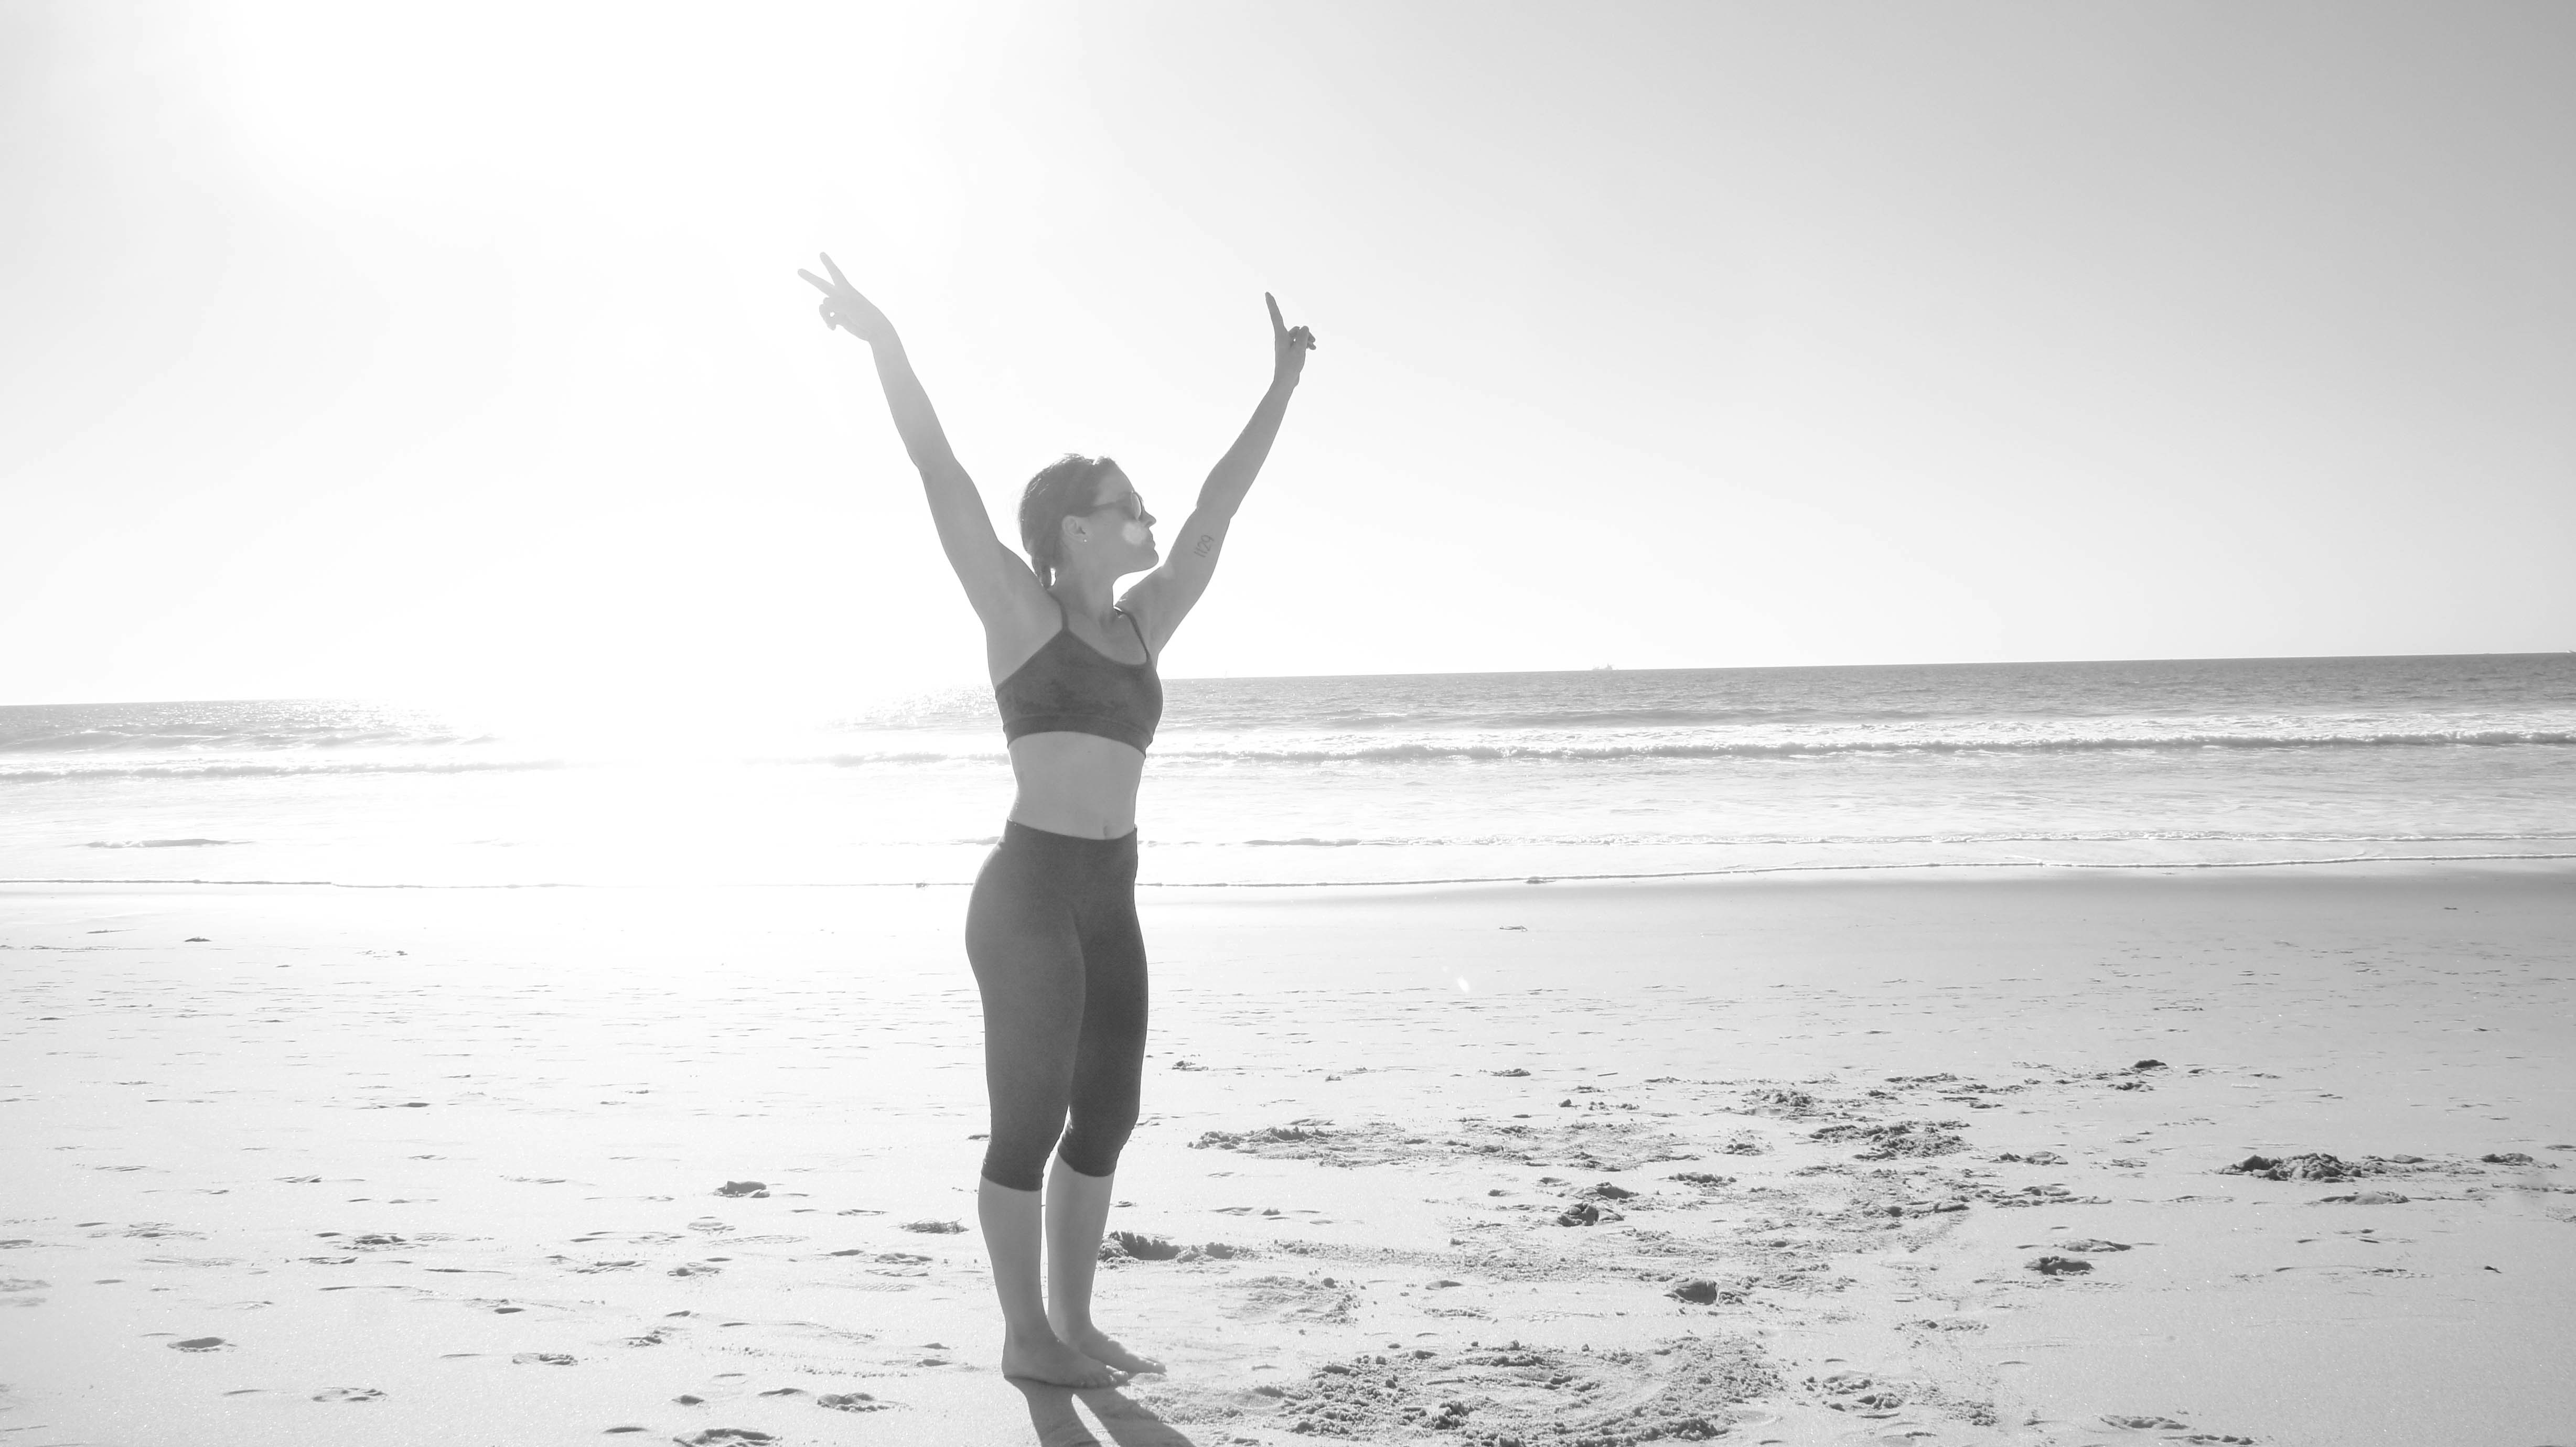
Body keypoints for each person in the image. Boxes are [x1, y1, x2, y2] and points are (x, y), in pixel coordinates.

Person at [798, 255, 1314, 1388]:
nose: (1150, 519)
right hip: (1029, 896)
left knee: (1109, 1114)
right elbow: (939, 471)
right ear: (1076, 530)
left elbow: (1218, 510)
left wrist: (1279, 389)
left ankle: (1073, 1325)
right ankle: (1023, 1336)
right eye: (1129, 507)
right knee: (1027, 1122)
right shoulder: (1019, 615)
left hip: (1110, 895)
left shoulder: (1142, 627)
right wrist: (886, 343)